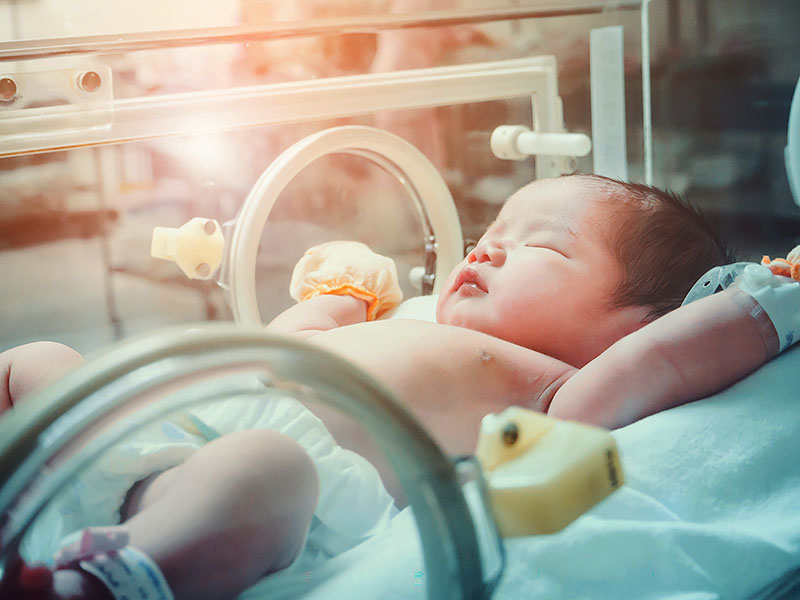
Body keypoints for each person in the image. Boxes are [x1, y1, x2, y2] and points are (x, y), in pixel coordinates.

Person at [1, 174, 795, 600]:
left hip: (248, 493)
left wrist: (765, 303)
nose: (483, 253)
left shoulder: (557, 388)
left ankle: (99, 581)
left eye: (540, 250)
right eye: (490, 237)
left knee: (265, 469)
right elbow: (289, 348)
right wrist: (336, 298)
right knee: (34, 360)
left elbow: (667, 360)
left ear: (631, 326)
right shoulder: (416, 321)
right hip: (147, 432)